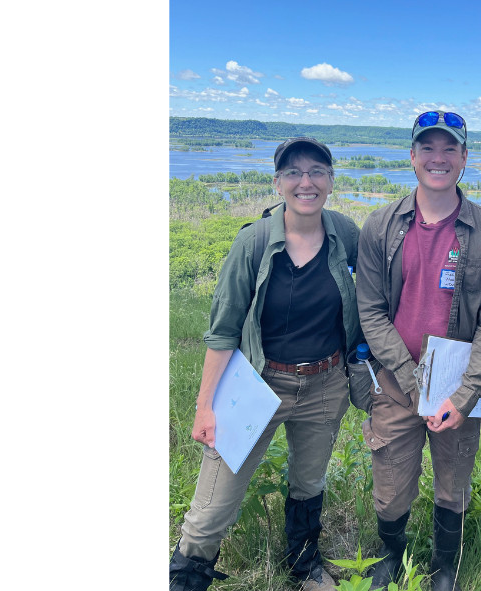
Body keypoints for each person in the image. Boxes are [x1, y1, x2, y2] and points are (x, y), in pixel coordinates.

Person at [169, 137, 362, 591]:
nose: (306, 182)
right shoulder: (253, 243)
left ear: (331, 180)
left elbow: (373, 296)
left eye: (317, 171)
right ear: (277, 182)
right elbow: (222, 332)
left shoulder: (345, 234)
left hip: (325, 382)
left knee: (309, 481)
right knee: (214, 503)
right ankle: (186, 577)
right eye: (293, 172)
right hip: (257, 384)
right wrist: (205, 406)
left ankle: (303, 564)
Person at [355, 111, 481, 591]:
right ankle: (392, 559)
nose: (437, 158)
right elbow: (371, 311)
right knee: (391, 486)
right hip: (397, 382)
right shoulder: (381, 225)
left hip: (460, 386)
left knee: (453, 483)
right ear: (413, 156)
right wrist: (411, 377)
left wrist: (462, 395)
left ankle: (445, 569)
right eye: (428, 148)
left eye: (449, 149)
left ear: (464, 157)